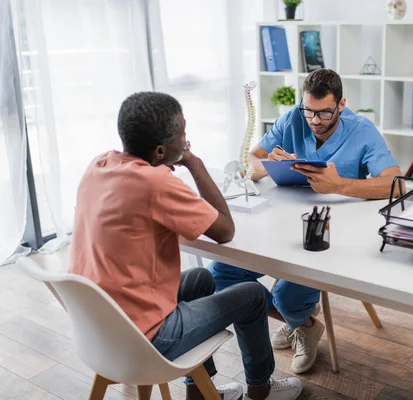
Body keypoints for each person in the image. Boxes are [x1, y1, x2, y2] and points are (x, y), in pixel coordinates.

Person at [68, 92, 302, 400]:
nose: (186, 140)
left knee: (202, 278)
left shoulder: (99, 165)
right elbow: (225, 230)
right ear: (161, 150)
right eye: (183, 133)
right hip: (145, 340)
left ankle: (199, 391)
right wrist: (194, 163)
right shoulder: (154, 182)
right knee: (255, 295)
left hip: (100, 328)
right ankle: (261, 388)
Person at [209, 69, 402, 374]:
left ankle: (297, 317)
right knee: (218, 275)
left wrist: (341, 185)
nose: (314, 120)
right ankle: (303, 322)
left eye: (324, 112)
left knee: (286, 295)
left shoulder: (362, 130)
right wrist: (266, 164)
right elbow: (252, 159)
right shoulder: (292, 118)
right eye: (308, 110)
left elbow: (397, 184)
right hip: (278, 225)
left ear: (341, 104)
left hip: (328, 235)